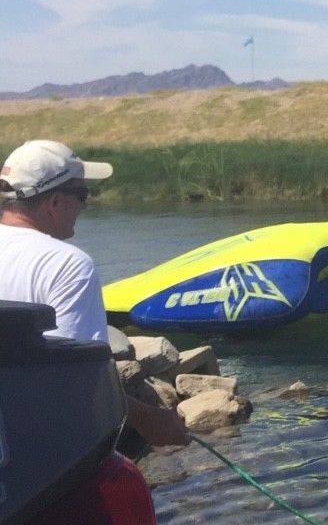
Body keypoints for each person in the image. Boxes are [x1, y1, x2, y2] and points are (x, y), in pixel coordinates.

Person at [0, 139, 189, 448]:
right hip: (36, 451)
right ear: (55, 202)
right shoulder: (68, 264)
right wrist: (154, 422)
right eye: (81, 195)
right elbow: (80, 381)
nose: (84, 206)